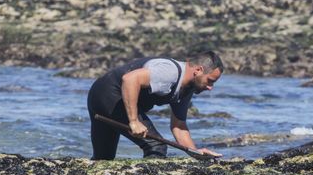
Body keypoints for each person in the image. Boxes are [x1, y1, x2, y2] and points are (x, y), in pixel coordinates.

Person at [87, 51, 224, 160]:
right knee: (156, 146)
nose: (210, 87)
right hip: (109, 95)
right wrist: (134, 121)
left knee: (103, 158)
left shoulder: (187, 89)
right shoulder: (169, 72)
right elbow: (129, 79)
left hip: (100, 95)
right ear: (198, 70)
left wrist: (196, 152)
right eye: (210, 81)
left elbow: (179, 126)